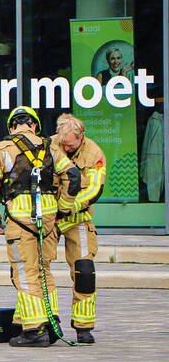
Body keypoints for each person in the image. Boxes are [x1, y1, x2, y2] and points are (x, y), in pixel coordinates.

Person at [0, 106, 80, 347]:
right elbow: (73, 177)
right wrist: (63, 209)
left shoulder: (1, 149)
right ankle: (52, 323)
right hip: (48, 220)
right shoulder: (51, 147)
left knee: (25, 272)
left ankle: (35, 329)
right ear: (34, 125)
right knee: (44, 270)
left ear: (12, 127)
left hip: (19, 221)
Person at [53, 113, 105, 344]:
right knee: (37, 269)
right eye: (63, 144)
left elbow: (94, 189)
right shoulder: (49, 146)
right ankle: (45, 322)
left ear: (81, 137)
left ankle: (83, 326)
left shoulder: (94, 153)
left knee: (84, 271)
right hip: (49, 218)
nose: (66, 148)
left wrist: (68, 207)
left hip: (78, 217)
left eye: (70, 145)